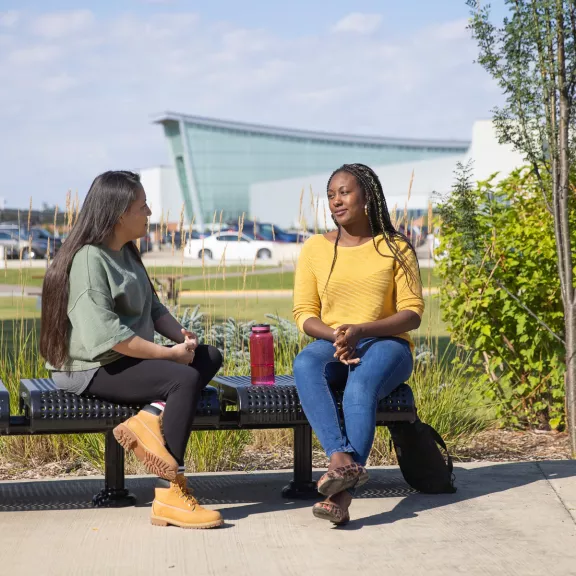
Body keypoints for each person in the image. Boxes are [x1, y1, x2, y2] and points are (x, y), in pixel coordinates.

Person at [40, 170, 223, 530]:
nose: (150, 212)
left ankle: (147, 418)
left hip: (121, 357)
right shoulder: (90, 260)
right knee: (183, 379)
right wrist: (170, 356)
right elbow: (110, 338)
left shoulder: (126, 252)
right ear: (120, 213)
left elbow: (154, 309)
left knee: (209, 356)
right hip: (89, 366)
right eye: (143, 206)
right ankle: (170, 494)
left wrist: (180, 336)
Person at [292, 163, 424, 526]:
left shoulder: (395, 247)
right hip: (336, 341)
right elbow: (304, 313)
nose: (336, 200)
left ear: (367, 197)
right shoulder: (315, 249)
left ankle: (342, 495)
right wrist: (337, 336)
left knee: (360, 384)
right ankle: (339, 457)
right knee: (305, 363)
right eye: (331, 194)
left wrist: (361, 332)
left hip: (387, 345)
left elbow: (412, 314)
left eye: (345, 192)